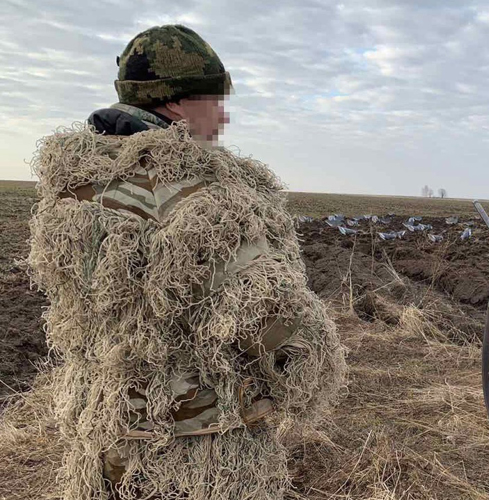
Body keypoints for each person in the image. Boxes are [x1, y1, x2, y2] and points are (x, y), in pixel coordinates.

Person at [27, 25, 345, 499]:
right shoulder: (194, 197)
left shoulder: (75, 189)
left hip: (106, 438)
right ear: (176, 103)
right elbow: (269, 319)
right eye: (215, 100)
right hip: (196, 454)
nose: (222, 117)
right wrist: (309, 378)